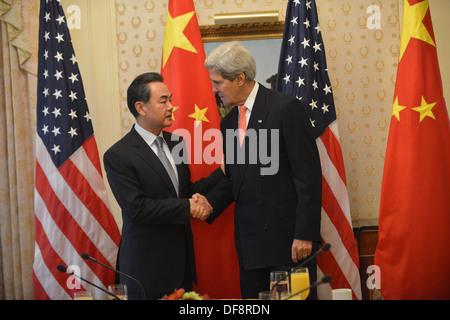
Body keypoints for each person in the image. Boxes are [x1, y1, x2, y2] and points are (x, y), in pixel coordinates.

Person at [204, 41, 323, 299]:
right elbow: (238, 178)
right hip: (251, 246)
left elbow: (308, 178)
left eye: (218, 82)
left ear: (239, 78)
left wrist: (305, 234)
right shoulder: (228, 123)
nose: (214, 90)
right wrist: (208, 203)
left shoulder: (284, 108)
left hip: (289, 245)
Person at [103, 72, 228, 300]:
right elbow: (137, 208)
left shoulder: (176, 142)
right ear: (141, 108)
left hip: (181, 266)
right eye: (164, 101)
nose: (172, 106)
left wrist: (222, 171)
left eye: (170, 99)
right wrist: (187, 207)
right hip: (146, 270)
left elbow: (184, 191)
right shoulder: (118, 155)